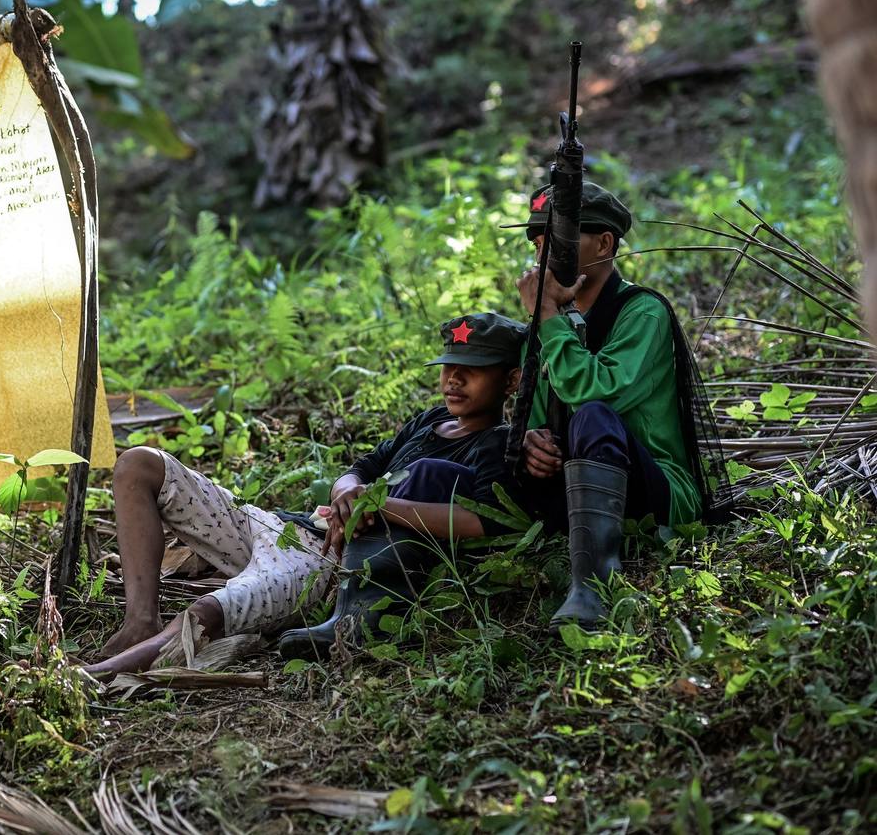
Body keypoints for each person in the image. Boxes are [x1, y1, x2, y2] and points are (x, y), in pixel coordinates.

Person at [85, 312, 527, 677]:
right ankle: (140, 619)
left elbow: (480, 521)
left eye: (473, 370)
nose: (454, 379)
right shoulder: (428, 421)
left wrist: (379, 506)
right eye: (449, 366)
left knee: (208, 611)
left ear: (510, 381)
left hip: (321, 565)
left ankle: (92, 678)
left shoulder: (495, 444)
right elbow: (356, 472)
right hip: (287, 528)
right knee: (139, 464)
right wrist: (349, 493)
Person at [513, 181, 720, 628]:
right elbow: (527, 418)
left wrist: (547, 318)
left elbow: (596, 393)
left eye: (559, 242)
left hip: (656, 490)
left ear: (605, 243)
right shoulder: (548, 324)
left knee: (592, 415)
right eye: (537, 243)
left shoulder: (643, 312)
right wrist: (530, 442)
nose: (543, 255)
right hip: (575, 485)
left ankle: (593, 587)